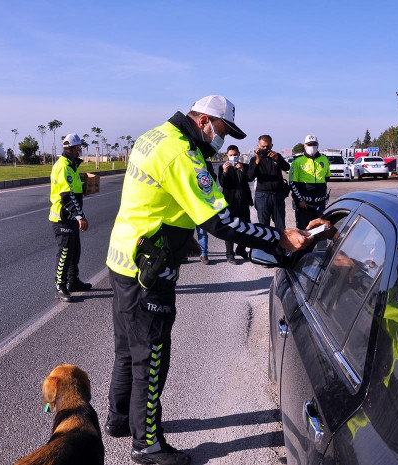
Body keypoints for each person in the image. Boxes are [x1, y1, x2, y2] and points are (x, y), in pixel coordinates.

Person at [104, 95, 312, 465]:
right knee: (151, 356)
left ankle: (119, 421)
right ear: (203, 121)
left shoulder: (156, 135)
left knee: (127, 348)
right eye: (222, 129)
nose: (223, 138)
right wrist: (277, 237)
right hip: (149, 269)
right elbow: (220, 222)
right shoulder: (182, 153)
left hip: (123, 257)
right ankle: (147, 445)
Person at [48, 133, 92, 302]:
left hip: (71, 217)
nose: (80, 150)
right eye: (78, 147)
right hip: (62, 217)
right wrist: (80, 216)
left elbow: (73, 189)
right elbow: (66, 195)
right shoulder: (63, 166)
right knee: (65, 252)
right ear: (71, 148)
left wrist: (84, 185)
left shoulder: (71, 165)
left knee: (74, 251)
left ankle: (74, 282)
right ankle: (60, 286)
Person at [218, 145, 252, 264]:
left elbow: (249, 178)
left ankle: (241, 250)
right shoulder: (223, 168)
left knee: (246, 227)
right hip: (230, 203)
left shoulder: (244, 166)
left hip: (243, 202)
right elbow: (223, 184)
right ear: (227, 156)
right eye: (231, 155)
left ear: (239, 154)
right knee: (230, 228)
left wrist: (242, 169)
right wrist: (225, 172)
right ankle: (230, 254)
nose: (233, 156)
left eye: (235, 154)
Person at [248, 135, 290, 230]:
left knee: (280, 227)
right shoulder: (254, 159)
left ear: (272, 145)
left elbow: (287, 168)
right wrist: (257, 161)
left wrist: (277, 159)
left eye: (268, 146)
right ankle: (265, 245)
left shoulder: (276, 156)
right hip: (262, 196)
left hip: (278, 195)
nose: (265, 149)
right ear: (258, 146)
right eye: (263, 147)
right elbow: (250, 177)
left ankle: (280, 245)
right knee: (263, 228)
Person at [289, 135, 331, 229]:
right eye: (309, 144)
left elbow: (327, 178)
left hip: (319, 204)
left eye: (314, 144)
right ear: (304, 146)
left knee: (320, 232)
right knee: (303, 232)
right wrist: (300, 199)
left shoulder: (324, 159)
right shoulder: (298, 161)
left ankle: (321, 244)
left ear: (318, 145)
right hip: (304, 205)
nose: (312, 147)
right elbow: (292, 183)